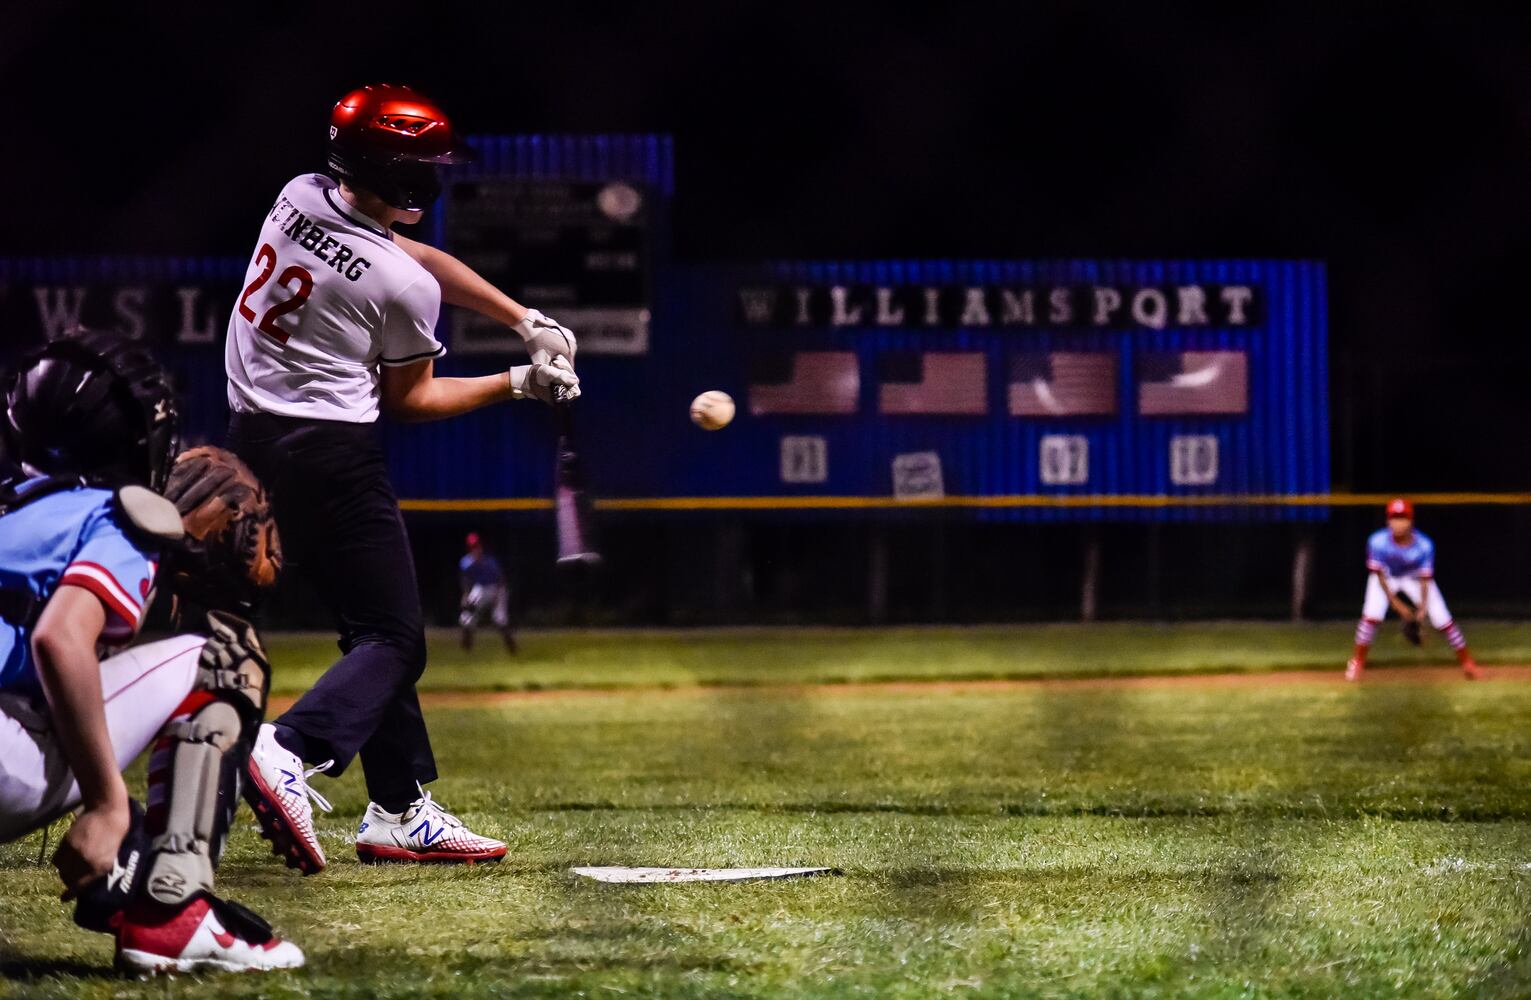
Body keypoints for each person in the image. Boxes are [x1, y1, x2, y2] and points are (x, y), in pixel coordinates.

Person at [225, 83, 579, 868]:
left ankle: (397, 807)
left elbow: (406, 252)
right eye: (424, 166)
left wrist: (521, 318)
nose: (434, 178)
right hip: (332, 458)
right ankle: (289, 744)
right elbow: (411, 398)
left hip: (249, 441)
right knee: (395, 638)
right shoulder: (398, 286)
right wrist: (518, 382)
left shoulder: (301, 194)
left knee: (369, 629)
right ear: (400, 172)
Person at [0, 330, 302, 973]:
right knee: (224, 650)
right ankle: (171, 914)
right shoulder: (114, 513)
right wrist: (107, 803)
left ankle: (134, 856)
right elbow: (60, 636)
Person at [1347, 497, 1480, 682]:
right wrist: (1397, 604)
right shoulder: (1377, 542)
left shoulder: (1424, 545)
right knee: (1371, 616)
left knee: (1443, 619)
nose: (1398, 522)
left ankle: (1467, 662)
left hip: (1414, 578)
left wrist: (1423, 609)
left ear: (1411, 520)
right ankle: (1357, 662)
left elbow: (1425, 578)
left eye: (1403, 517)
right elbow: (1378, 575)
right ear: (1388, 520)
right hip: (1385, 577)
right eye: (1395, 517)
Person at [459, 532, 516, 653]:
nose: (475, 549)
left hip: (496, 589)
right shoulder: (466, 562)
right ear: (469, 548)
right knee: (466, 618)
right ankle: (466, 649)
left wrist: (499, 596)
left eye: (476, 546)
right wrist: (465, 595)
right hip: (480, 588)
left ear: (480, 546)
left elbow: (501, 579)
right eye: (472, 547)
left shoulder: (490, 562)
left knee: (500, 619)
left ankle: (512, 647)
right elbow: (465, 580)